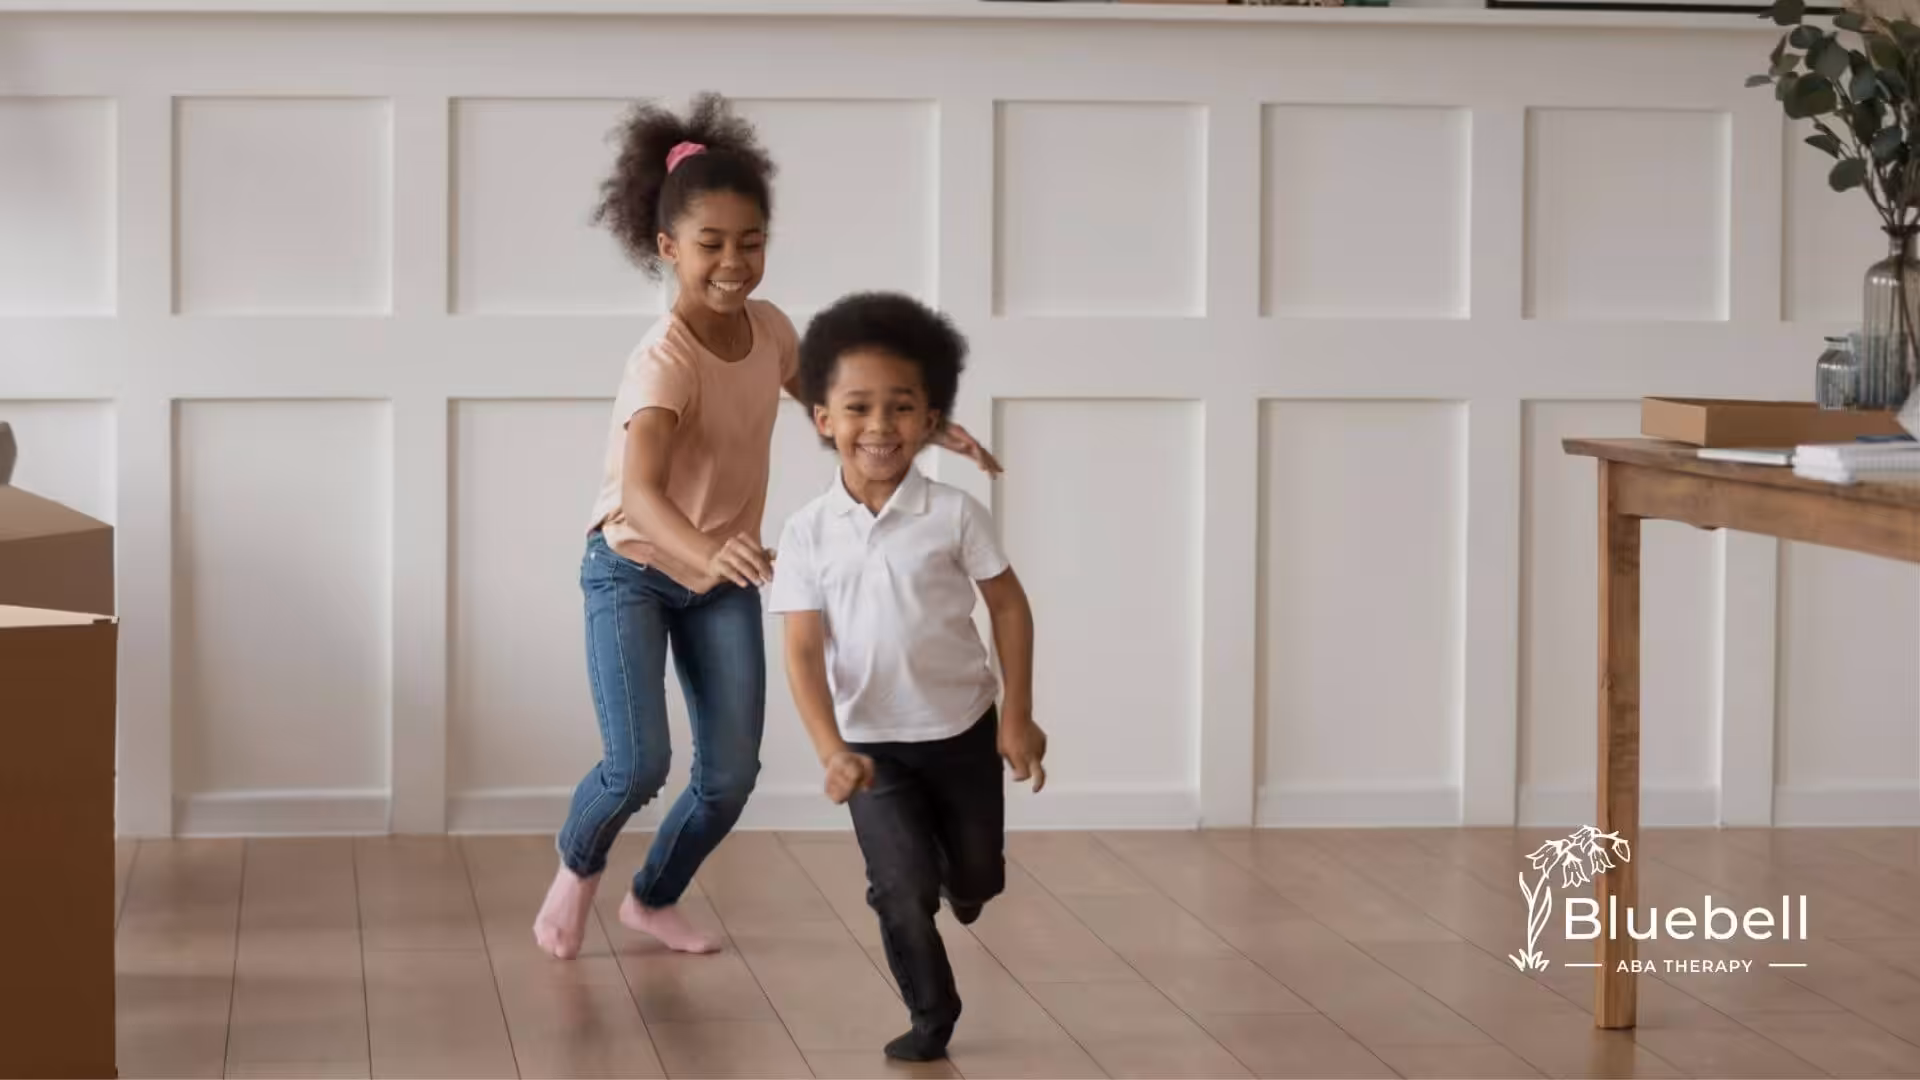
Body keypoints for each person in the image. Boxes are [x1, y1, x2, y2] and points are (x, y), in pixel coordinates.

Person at [533, 96, 1003, 961]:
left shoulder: (772, 330)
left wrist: (931, 429)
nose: (733, 262)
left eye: (750, 243)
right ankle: (577, 866)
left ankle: (652, 898)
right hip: (632, 568)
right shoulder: (662, 361)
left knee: (729, 777)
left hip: (722, 578)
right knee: (638, 766)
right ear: (668, 248)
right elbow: (639, 494)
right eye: (711, 244)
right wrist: (709, 549)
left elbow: (836, 402)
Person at [768, 291, 1048, 1062]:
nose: (880, 426)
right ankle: (932, 1014)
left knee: (978, 880)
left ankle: (966, 883)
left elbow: (1010, 607)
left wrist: (1017, 716)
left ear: (929, 420)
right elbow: (801, 651)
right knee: (899, 886)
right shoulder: (806, 532)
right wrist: (831, 750)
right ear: (823, 419)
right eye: (858, 407)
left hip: (962, 731)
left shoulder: (953, 513)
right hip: (870, 747)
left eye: (901, 407)